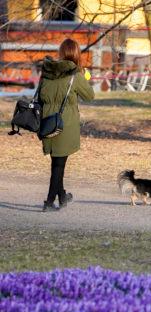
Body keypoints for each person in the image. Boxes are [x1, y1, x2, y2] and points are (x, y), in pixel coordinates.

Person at [39, 38, 94, 211]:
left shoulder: (47, 73)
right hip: (65, 123)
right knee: (59, 165)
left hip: (47, 122)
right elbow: (89, 96)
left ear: (61, 53)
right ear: (76, 54)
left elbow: (40, 96)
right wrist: (85, 78)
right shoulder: (75, 75)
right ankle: (49, 202)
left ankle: (62, 196)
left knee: (57, 161)